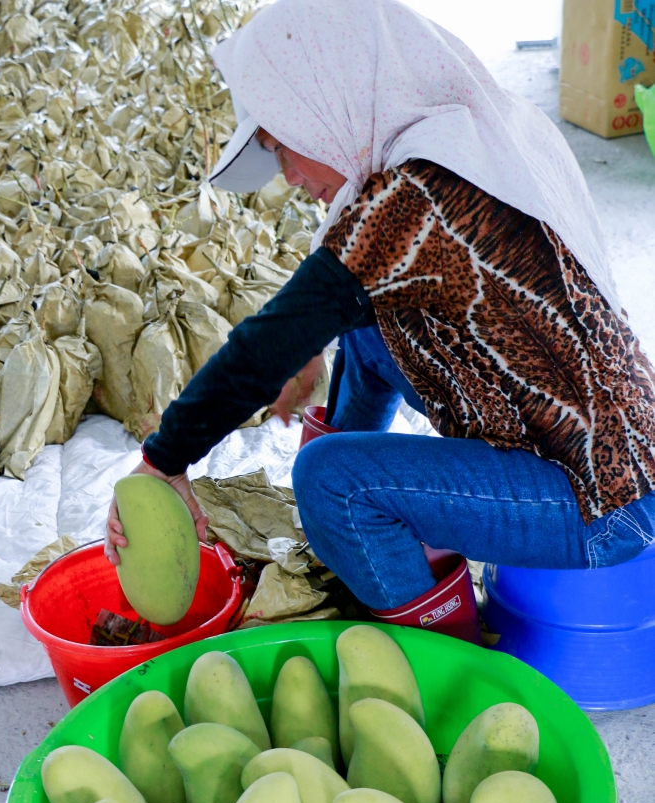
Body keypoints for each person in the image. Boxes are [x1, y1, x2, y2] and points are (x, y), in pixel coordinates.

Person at [105, 0, 655, 645]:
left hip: (600, 503)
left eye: (282, 148)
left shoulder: (414, 201)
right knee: (366, 334)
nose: (289, 177)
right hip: (615, 448)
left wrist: (162, 460)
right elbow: (333, 304)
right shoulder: (469, 137)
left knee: (328, 480)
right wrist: (309, 340)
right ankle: (350, 533)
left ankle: (449, 651)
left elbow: (263, 346)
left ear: (327, 103)